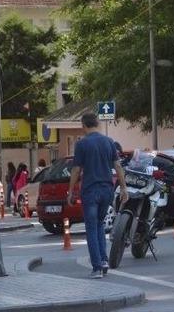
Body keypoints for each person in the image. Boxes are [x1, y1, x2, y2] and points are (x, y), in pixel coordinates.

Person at [68, 113, 128, 279]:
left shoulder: (82, 144)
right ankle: (103, 260)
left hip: (90, 191)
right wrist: (123, 189)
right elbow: (118, 166)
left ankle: (97, 267)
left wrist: (71, 190)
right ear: (97, 124)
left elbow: (76, 170)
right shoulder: (109, 142)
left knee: (91, 228)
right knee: (100, 224)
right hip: (107, 190)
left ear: (83, 125)